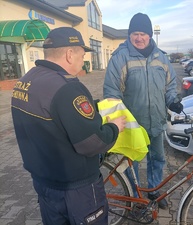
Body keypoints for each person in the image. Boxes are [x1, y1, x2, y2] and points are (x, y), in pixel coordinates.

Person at [11, 27, 127, 225]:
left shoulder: (26, 81)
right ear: (69, 54)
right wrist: (115, 127)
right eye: (82, 55)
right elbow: (92, 143)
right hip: (76, 189)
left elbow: (54, 117)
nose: (84, 61)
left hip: (44, 181)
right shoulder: (68, 88)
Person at [103, 12, 182, 210]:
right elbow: (112, 93)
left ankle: (155, 191)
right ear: (130, 35)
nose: (139, 38)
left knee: (158, 158)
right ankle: (135, 195)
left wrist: (173, 101)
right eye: (135, 34)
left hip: (156, 121)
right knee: (132, 162)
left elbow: (170, 85)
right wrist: (117, 122)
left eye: (143, 34)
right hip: (132, 124)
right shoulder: (120, 58)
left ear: (150, 35)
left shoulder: (161, 58)